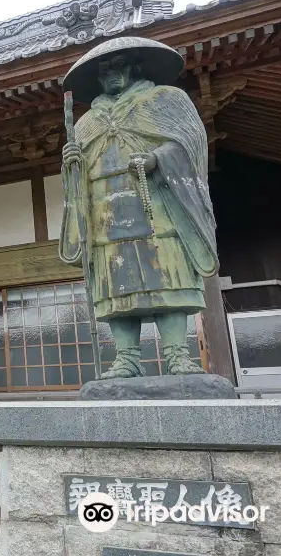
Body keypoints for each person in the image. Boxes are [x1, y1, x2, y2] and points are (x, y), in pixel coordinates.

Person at [59, 37, 218, 379]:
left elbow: (190, 145)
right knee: (117, 287)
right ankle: (126, 357)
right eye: (105, 70)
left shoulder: (166, 100)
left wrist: (157, 159)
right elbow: (78, 180)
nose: (112, 74)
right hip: (106, 218)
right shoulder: (85, 123)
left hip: (157, 206)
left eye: (119, 65)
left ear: (135, 67)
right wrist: (71, 165)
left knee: (168, 279)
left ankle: (177, 354)